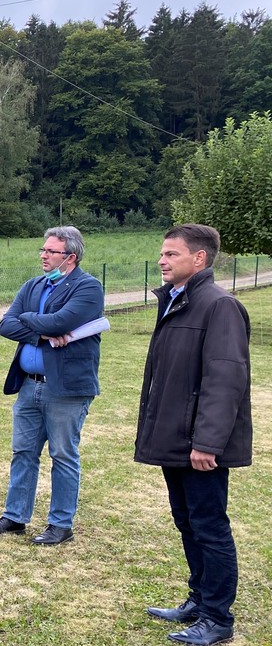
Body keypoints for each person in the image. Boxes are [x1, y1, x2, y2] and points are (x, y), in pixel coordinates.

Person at [137, 224, 250, 646]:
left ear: (199, 258)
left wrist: (208, 443)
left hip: (198, 445)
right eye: (162, 253)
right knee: (187, 522)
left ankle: (218, 618)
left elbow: (226, 378)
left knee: (209, 525)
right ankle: (199, 601)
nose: (162, 260)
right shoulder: (177, 301)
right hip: (174, 439)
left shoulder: (219, 306)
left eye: (171, 254)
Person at [0, 226, 103, 545]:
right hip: (28, 387)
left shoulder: (88, 287)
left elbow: (62, 322)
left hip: (66, 389)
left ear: (70, 257)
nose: (44, 256)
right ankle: (15, 516)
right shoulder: (33, 286)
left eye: (51, 251)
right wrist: (42, 333)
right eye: (43, 250)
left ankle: (61, 525)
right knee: (23, 451)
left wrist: (32, 321)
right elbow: (6, 324)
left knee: (63, 453)